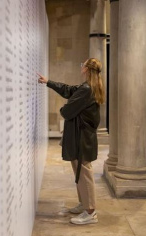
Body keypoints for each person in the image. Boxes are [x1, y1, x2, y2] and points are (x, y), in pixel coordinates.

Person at [37, 58, 105, 225]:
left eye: (83, 65)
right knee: (80, 172)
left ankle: (90, 212)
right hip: (81, 136)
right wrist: (48, 82)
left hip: (82, 137)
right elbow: (68, 90)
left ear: (87, 69)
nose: (81, 67)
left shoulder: (86, 89)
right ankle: (85, 204)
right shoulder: (87, 87)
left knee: (84, 172)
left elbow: (67, 112)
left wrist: (63, 108)